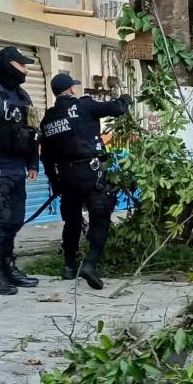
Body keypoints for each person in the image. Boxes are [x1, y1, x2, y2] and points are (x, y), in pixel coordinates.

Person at [39, 74, 131, 290]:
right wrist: (126, 98)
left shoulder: (49, 118)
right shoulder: (84, 106)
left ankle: (69, 266)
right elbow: (116, 109)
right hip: (90, 172)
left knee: (71, 221)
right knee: (100, 217)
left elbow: (46, 156)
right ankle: (89, 264)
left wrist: (55, 182)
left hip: (65, 176)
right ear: (71, 90)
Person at [0, 46, 41, 295]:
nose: (25, 70)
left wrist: (33, 162)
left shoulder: (23, 96)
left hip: (17, 169)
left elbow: (33, 131)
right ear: (8, 65)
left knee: (15, 219)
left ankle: (9, 265)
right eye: (21, 65)